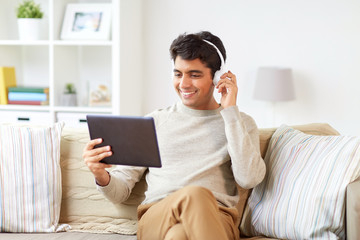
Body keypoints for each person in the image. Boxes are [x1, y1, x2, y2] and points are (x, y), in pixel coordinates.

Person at [83, 31, 266, 240]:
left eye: (194, 75)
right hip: (158, 216)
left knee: (177, 236)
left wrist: (230, 113)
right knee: (194, 195)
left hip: (216, 218)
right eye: (178, 74)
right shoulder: (155, 122)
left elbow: (249, 178)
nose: (184, 84)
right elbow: (120, 191)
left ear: (217, 78)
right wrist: (100, 175)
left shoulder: (240, 124)